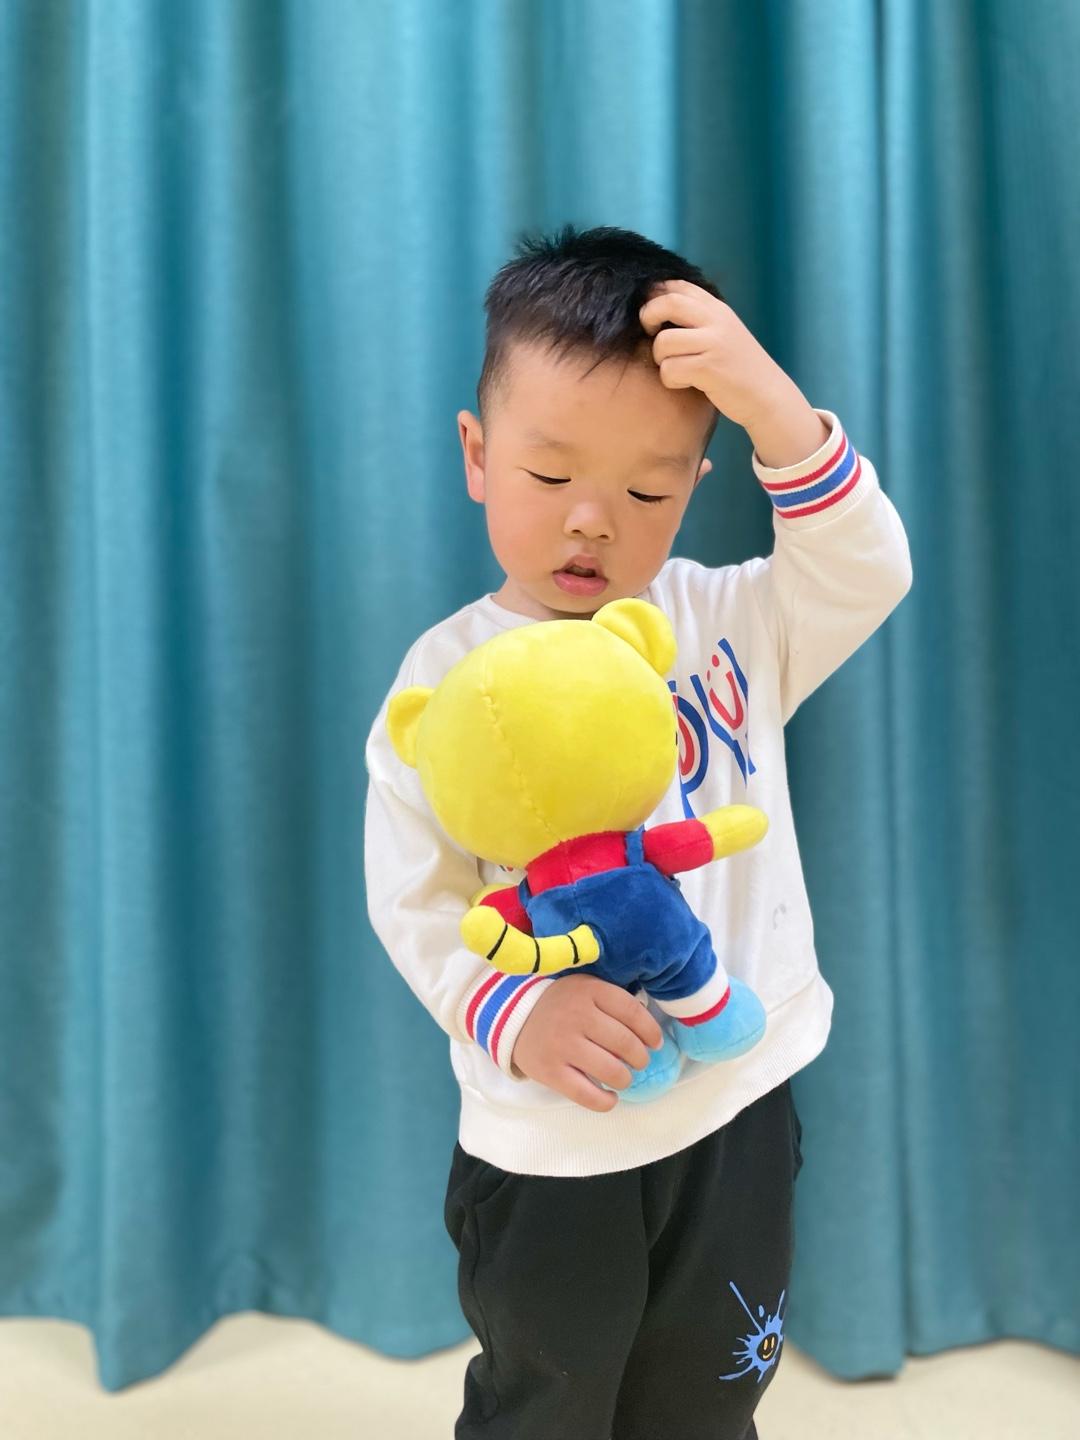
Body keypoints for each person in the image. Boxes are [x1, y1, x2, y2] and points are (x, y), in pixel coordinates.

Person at [364, 224, 912, 1440]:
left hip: (737, 1103)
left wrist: (778, 413)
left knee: (711, 1400)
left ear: (698, 484)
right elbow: (415, 899)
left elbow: (868, 571)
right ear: (478, 455)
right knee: (544, 1408)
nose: (591, 523)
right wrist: (520, 1013)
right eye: (548, 476)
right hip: (554, 1140)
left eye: (648, 491)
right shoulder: (444, 679)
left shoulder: (726, 620)